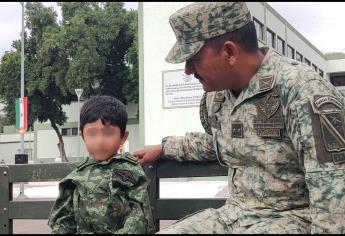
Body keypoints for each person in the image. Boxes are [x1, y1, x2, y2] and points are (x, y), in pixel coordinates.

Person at [134, 2, 345, 234]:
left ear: (229, 52)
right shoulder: (216, 97)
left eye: (193, 59)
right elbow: (220, 142)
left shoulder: (302, 90)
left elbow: (333, 191)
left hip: (294, 218)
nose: (187, 71)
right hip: (235, 215)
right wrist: (165, 148)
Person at [48, 95, 155, 234]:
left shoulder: (129, 172)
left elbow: (138, 219)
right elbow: (63, 220)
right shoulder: (76, 177)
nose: (100, 141)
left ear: (123, 137)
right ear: (83, 136)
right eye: (92, 133)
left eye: (109, 133)